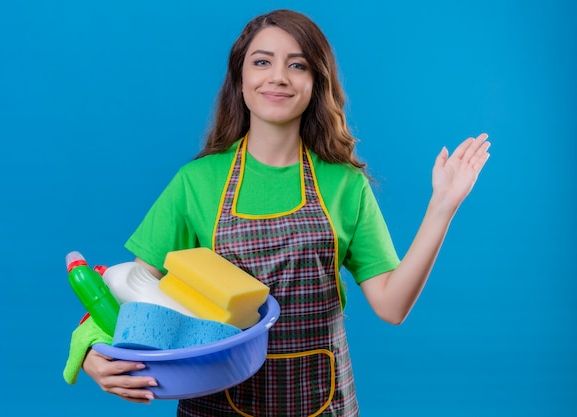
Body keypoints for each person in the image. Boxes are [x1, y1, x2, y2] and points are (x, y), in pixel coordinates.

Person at [63, 8, 491, 416]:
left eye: (298, 65)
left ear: (316, 81)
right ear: (241, 77)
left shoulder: (344, 184)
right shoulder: (197, 182)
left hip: (323, 404)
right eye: (262, 62)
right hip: (216, 406)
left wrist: (442, 207)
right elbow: (130, 289)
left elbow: (392, 306)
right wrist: (90, 350)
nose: (278, 77)